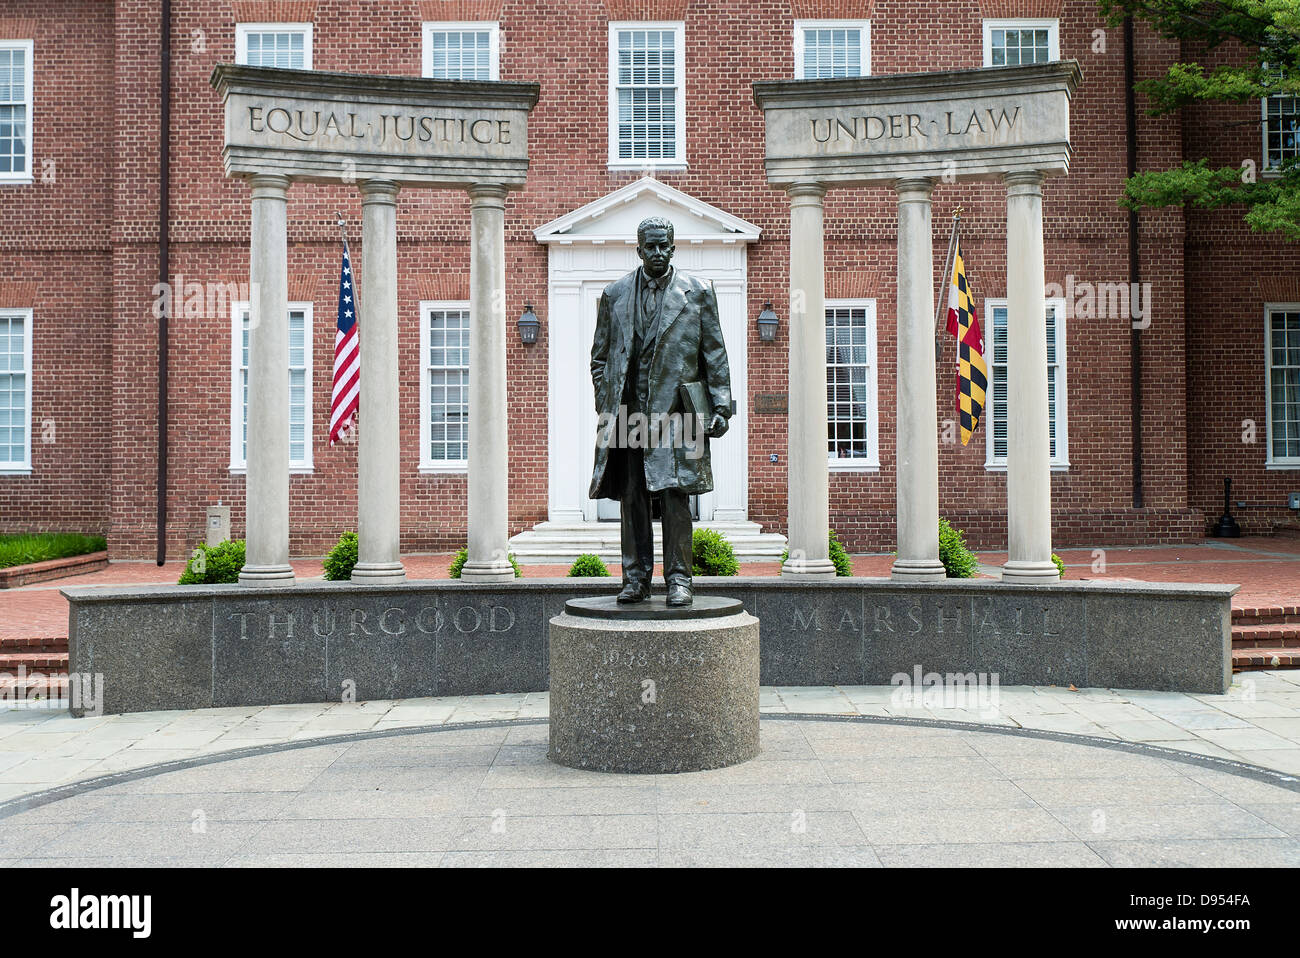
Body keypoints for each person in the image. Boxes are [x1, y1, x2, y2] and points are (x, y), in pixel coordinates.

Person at [589, 216, 733, 606]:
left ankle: (679, 580)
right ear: (638, 249)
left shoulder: (698, 292)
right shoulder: (614, 294)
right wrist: (608, 398)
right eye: (649, 246)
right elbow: (599, 359)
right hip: (628, 412)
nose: (656, 252)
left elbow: (714, 353)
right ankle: (635, 578)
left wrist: (721, 405)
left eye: (663, 246)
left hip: (678, 413)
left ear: (673, 247)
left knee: (675, 496)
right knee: (632, 497)